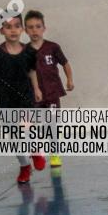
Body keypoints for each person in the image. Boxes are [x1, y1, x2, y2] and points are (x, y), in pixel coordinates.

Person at [0, 14, 46, 183]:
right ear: (1, 30)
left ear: (22, 29)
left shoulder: (29, 52)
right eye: (8, 26)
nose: (13, 30)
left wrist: (36, 88)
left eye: (17, 26)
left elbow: (32, 71)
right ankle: (25, 165)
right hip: (5, 100)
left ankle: (35, 150)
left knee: (25, 130)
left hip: (25, 97)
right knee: (15, 138)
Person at [24, 10, 74, 168]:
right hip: (33, 95)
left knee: (52, 124)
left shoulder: (53, 47)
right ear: (25, 30)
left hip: (52, 93)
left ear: (44, 28)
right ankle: (36, 151)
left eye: (38, 26)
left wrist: (69, 80)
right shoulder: (24, 51)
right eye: (30, 27)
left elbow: (65, 63)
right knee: (30, 124)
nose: (34, 30)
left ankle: (55, 155)